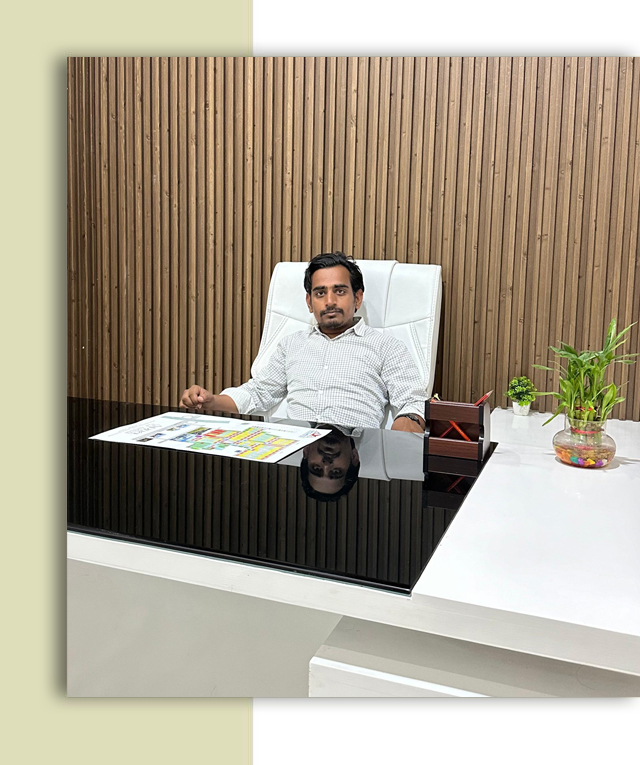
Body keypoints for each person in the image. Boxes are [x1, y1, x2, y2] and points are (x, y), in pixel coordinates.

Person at [180, 252, 427, 432]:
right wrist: (211, 401)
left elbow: (412, 403)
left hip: (356, 451)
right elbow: (258, 393)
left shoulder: (387, 347)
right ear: (309, 302)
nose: (330, 301)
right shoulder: (291, 345)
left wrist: (398, 446)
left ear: (357, 298)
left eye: (340, 291)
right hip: (295, 451)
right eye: (320, 293)